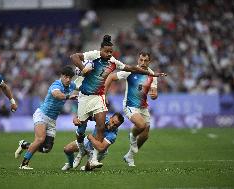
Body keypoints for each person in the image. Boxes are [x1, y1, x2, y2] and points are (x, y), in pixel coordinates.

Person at [69, 35, 166, 168]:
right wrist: (83, 68)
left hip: (99, 97)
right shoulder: (93, 55)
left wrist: (153, 76)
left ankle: (95, 159)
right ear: (100, 50)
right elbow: (74, 57)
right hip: (85, 97)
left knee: (102, 126)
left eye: (111, 52)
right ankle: (80, 152)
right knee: (81, 129)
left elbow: (131, 68)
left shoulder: (113, 61)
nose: (109, 54)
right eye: (107, 51)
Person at [105, 51, 161, 167]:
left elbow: (154, 93)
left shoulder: (152, 75)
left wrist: (154, 95)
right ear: (138, 60)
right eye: (141, 60)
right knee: (141, 125)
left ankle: (129, 156)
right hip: (130, 106)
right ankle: (132, 136)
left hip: (143, 107)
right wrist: (103, 95)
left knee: (145, 136)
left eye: (146, 60)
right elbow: (111, 77)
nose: (143, 62)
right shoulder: (130, 71)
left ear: (149, 61)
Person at [15, 66, 77, 170]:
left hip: (52, 120)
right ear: (62, 76)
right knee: (40, 139)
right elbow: (56, 94)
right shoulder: (56, 84)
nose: (68, 79)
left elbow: (81, 87)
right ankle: (24, 164)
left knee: (46, 149)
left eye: (70, 77)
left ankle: (25, 144)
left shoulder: (71, 85)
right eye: (66, 77)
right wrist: (68, 97)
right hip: (42, 115)